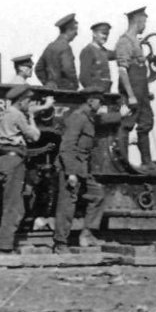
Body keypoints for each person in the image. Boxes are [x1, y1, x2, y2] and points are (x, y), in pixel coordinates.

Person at [52, 88, 129, 252]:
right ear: (90, 101)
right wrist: (71, 172)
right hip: (71, 167)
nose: (101, 105)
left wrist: (120, 116)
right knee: (67, 206)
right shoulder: (77, 118)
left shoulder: (88, 117)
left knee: (97, 195)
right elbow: (66, 147)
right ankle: (60, 243)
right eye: (99, 102)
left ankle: (86, 235)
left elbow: (102, 119)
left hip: (82, 168)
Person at [0, 84, 47, 254]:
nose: (28, 105)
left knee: (15, 206)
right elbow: (35, 136)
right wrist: (31, 117)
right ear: (22, 101)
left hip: (2, 160)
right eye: (28, 102)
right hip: (14, 161)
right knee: (14, 207)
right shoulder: (18, 115)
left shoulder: (5, 114)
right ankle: (5, 248)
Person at [114, 6, 156, 173]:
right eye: (144, 21)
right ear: (138, 20)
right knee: (126, 125)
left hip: (141, 93)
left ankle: (146, 162)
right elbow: (122, 71)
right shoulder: (125, 42)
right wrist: (130, 95)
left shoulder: (136, 42)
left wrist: (144, 91)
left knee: (146, 122)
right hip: (132, 95)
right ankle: (123, 163)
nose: (145, 25)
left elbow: (140, 71)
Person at [34, 13, 79, 90]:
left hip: (51, 89)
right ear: (69, 30)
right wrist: (75, 84)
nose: (76, 34)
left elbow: (38, 68)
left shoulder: (50, 46)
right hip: (65, 90)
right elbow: (68, 69)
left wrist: (48, 83)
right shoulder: (65, 47)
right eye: (75, 30)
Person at [78, 22, 115, 92]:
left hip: (106, 91)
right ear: (94, 34)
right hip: (95, 93)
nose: (105, 37)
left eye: (107, 34)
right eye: (103, 33)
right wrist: (92, 92)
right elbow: (84, 77)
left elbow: (117, 54)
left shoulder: (103, 51)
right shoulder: (88, 50)